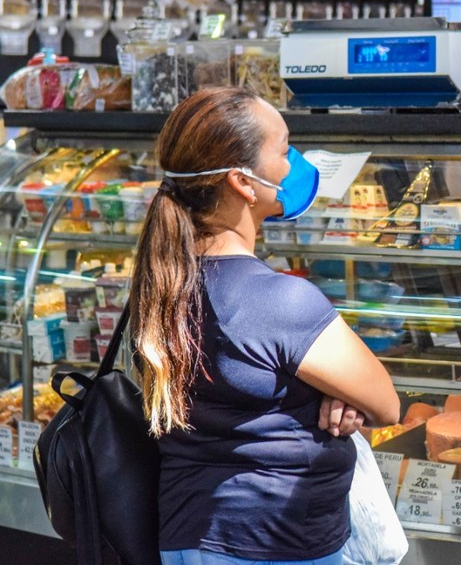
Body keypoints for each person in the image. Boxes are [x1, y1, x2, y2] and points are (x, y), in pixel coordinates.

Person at [130, 87, 401, 565]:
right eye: (283, 149)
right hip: (277, 543)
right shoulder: (279, 300)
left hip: (188, 536)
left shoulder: (160, 284)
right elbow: (386, 404)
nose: (292, 163)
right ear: (243, 182)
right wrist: (338, 394)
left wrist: (329, 392)